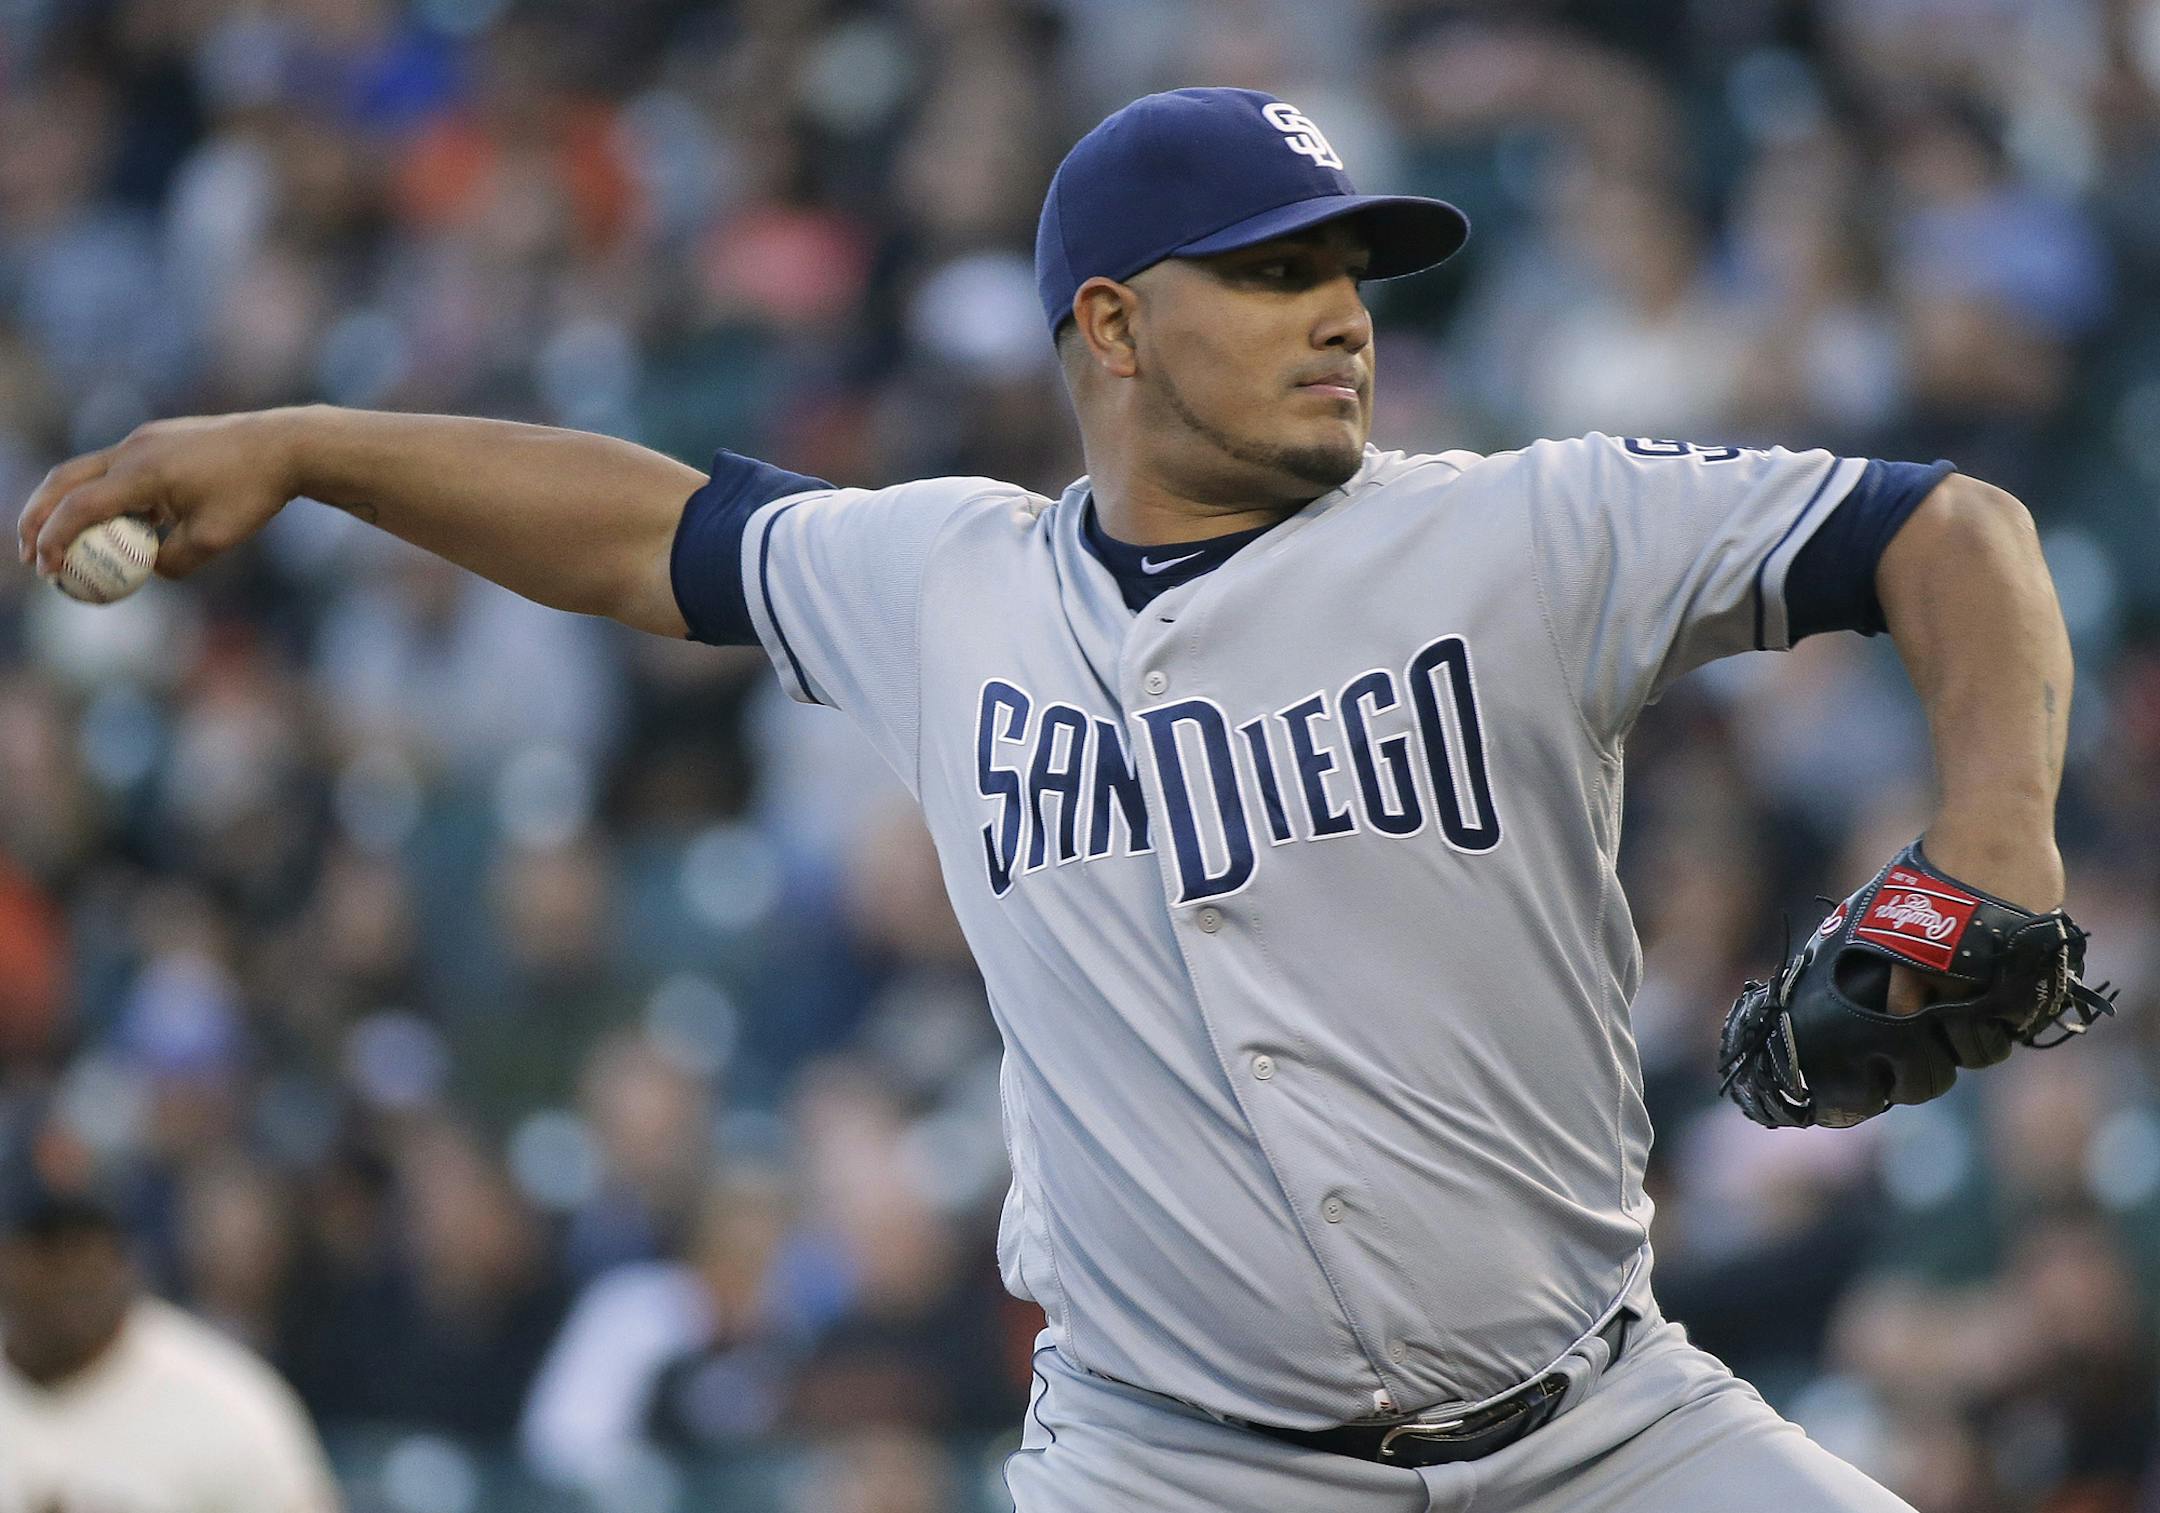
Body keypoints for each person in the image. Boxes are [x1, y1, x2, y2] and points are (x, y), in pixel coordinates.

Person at [16, 87, 2080, 1510]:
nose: (1343, 310)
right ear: (1110, 322)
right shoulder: (948, 581)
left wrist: (1996, 828)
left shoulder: (1524, 534)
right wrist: (304, 439)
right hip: (1176, 1459)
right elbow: (642, 525)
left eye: (1353, 266)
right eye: (1273, 271)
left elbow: (1948, 527)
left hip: (1602, 1421)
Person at [0, 1136, 341, 1513]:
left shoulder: (230, 1403)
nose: (72, 1275)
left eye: (89, 1246)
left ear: (130, 1262)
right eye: (45, 1248)